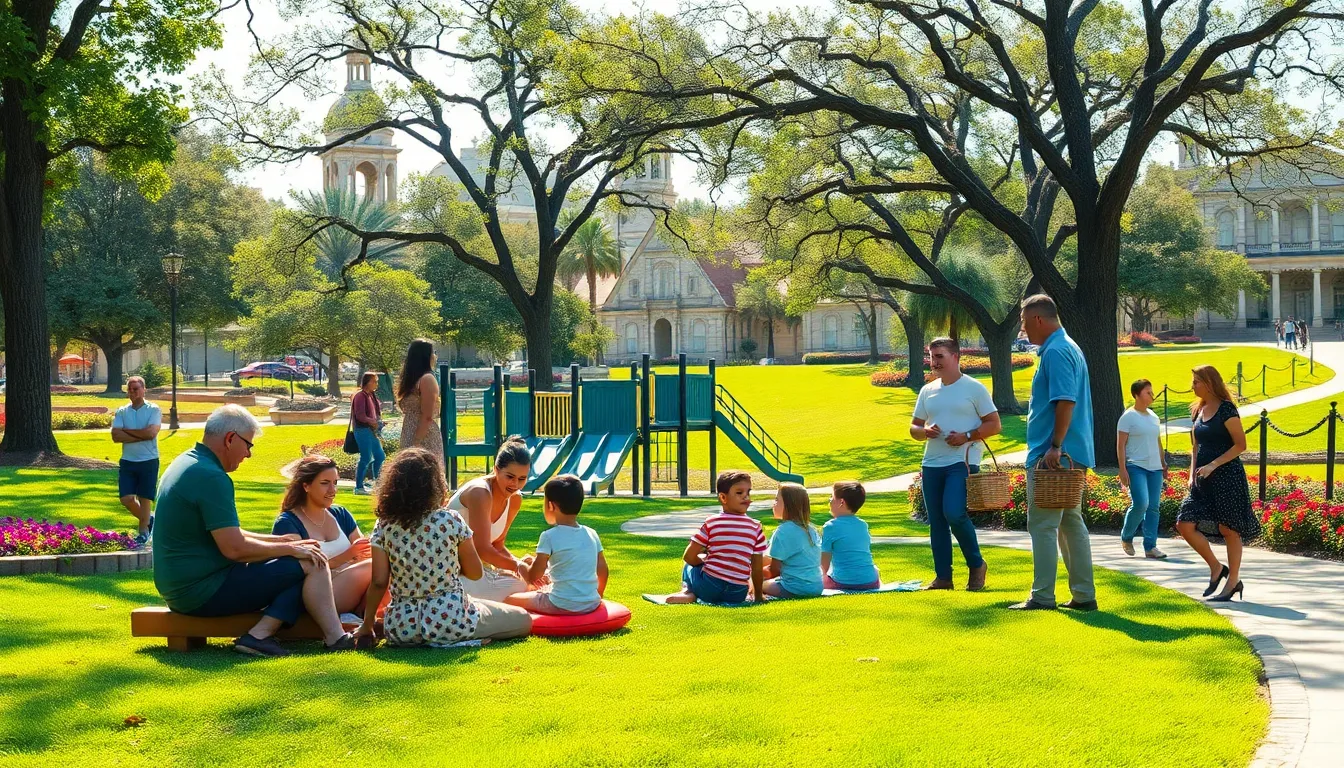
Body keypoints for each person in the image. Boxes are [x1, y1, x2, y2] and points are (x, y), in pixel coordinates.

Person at [153, 405, 354, 656]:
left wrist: (280, 542)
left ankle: (259, 635)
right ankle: (335, 638)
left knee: (301, 556)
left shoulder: (188, 462)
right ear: (229, 439)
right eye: (248, 445)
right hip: (200, 591)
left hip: (183, 586)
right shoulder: (211, 477)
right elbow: (234, 548)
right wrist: (290, 548)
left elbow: (230, 533)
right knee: (312, 563)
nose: (248, 454)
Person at [354, 447, 532, 647]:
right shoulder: (451, 520)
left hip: (401, 626)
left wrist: (366, 626)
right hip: (450, 619)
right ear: (436, 484)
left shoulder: (384, 525)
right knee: (523, 619)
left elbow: (379, 582)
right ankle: (463, 640)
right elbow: (474, 573)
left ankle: (380, 625)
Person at [1011, 294, 1097, 612]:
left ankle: (1043, 596)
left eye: (1024, 323)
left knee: (1044, 525)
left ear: (1038, 320)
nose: (1023, 330)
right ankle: (1084, 596)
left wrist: (1055, 445)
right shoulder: (1066, 347)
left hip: (1055, 455)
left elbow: (1065, 401)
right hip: (1070, 453)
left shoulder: (1058, 351)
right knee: (1070, 523)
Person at [910, 337, 1002, 591]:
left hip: (962, 462)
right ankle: (943, 578)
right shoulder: (928, 390)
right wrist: (924, 430)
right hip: (931, 463)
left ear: (956, 357)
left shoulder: (974, 388)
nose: (934, 362)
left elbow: (994, 424)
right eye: (931, 356)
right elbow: (914, 427)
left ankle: (976, 564)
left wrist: (967, 436)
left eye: (939, 356)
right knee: (937, 521)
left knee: (954, 513)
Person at [1177, 366, 1260, 602]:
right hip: (1202, 480)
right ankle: (1216, 567)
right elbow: (1195, 447)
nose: (1192, 386)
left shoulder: (1227, 410)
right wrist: (1191, 474)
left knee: (1229, 530)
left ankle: (1232, 581)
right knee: (1184, 524)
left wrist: (1214, 464)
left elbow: (1240, 445)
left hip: (1228, 477)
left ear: (1209, 383)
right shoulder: (1198, 409)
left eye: (1196, 381)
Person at [273, 456, 374, 617]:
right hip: (316, 596)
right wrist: (348, 556)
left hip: (352, 587)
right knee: (373, 566)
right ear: (306, 485)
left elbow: (363, 553)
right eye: (325, 483)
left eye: (335, 483)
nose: (332, 490)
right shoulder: (288, 522)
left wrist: (359, 554)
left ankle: (365, 612)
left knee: (381, 562)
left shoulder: (340, 514)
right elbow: (298, 571)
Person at [506, 474, 607, 615]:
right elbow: (603, 570)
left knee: (509, 600)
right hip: (591, 603)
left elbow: (534, 575)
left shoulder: (548, 536)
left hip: (560, 604)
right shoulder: (592, 533)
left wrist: (522, 566)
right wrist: (598, 596)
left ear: (551, 505)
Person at [449, 438, 534, 602]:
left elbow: (498, 545)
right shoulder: (480, 492)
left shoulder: (515, 499)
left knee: (533, 579)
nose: (515, 484)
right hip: (450, 571)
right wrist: (517, 566)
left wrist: (521, 565)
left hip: (474, 569)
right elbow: (482, 549)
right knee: (522, 585)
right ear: (496, 469)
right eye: (510, 476)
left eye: (522, 479)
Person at [666, 471, 766, 604]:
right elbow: (757, 568)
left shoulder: (711, 523)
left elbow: (688, 556)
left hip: (709, 588)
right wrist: (758, 597)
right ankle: (692, 592)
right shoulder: (756, 527)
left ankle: (687, 592)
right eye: (739, 493)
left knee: (689, 565)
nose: (746, 497)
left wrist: (704, 563)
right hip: (737, 593)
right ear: (723, 498)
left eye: (748, 492)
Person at [1117, 379, 1169, 559]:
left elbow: (1157, 442)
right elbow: (1120, 445)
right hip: (1135, 466)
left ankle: (1150, 547)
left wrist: (1163, 463)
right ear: (1137, 395)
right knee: (1141, 504)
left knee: (1153, 507)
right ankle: (1127, 536)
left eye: (1151, 391)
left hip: (1155, 468)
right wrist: (1122, 469)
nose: (1152, 395)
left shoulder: (1154, 417)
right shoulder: (1128, 417)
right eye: (1148, 392)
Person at [111, 376, 162, 547]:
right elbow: (116, 436)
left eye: (136, 388)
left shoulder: (153, 410)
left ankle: (143, 533)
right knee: (126, 498)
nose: (132, 392)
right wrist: (139, 433)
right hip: (128, 461)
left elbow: (150, 434)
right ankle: (149, 519)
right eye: (130, 389)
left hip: (148, 460)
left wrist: (126, 431)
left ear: (144, 389)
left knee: (144, 497)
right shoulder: (122, 411)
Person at [761, 483, 824, 599]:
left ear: (789, 505)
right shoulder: (810, 529)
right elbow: (769, 559)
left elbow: (774, 570)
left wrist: (754, 574)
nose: (773, 504)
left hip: (795, 589)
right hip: (817, 586)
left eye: (777, 500)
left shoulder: (783, 531)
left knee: (758, 584)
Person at [822, 481, 880, 591]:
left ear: (841, 502)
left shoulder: (830, 527)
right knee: (875, 569)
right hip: (871, 582)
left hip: (842, 583)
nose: (830, 500)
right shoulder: (863, 525)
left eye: (832, 497)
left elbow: (824, 563)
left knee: (819, 580)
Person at [396, 339, 443, 458]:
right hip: (412, 436)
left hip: (423, 436)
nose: (435, 356)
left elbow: (428, 415)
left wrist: (416, 442)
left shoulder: (427, 379)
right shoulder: (418, 379)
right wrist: (414, 444)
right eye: (433, 352)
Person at [351, 372, 385, 495]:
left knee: (380, 456)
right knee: (365, 458)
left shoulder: (370, 395)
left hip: (370, 430)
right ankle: (359, 487)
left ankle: (378, 484)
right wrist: (373, 421)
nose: (376, 384)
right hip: (362, 430)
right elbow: (360, 416)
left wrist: (379, 422)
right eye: (374, 381)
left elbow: (373, 413)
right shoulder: (360, 396)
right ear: (367, 382)